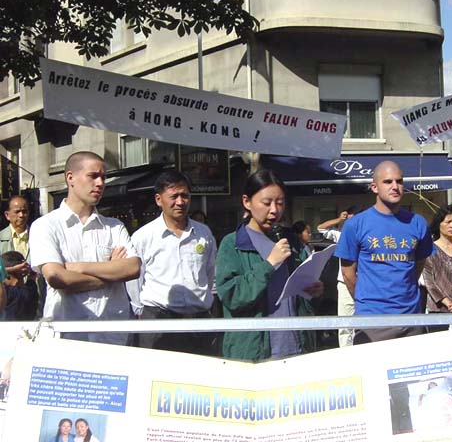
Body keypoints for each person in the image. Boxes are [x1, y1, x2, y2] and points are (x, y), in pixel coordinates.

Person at [29, 151, 141, 345]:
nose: (100, 183)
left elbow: (133, 268)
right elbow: (57, 278)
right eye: (93, 176)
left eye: (103, 177)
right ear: (70, 178)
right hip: (67, 336)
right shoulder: (46, 225)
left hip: (112, 337)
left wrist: (79, 267)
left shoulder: (114, 226)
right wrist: (111, 275)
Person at [216, 169, 323, 361]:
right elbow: (232, 296)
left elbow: (303, 295)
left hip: (297, 349)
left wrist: (313, 290)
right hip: (253, 353)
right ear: (247, 202)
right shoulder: (232, 244)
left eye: (280, 203)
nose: (274, 210)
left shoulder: (292, 240)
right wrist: (269, 264)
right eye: (266, 203)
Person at [335, 161, 434, 344]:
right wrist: (366, 302)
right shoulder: (355, 225)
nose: (395, 186)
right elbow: (347, 272)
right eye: (388, 182)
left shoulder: (418, 223)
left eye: (399, 181)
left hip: (410, 318)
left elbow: (419, 264)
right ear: (374, 187)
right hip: (372, 321)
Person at [126, 171, 217, 355]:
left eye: (185, 195)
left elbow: (210, 274)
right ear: (159, 200)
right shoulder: (143, 237)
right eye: (174, 196)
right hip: (158, 320)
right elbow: (135, 281)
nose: (180, 202)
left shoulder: (204, 233)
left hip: (199, 322)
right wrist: (140, 312)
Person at [317, 208, 358, 347]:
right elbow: (321, 228)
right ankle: (346, 352)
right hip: (344, 283)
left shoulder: (367, 235)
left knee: (365, 322)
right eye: (349, 219)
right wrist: (339, 220)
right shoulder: (341, 235)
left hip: (364, 283)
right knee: (345, 323)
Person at [0, 195, 46, 316]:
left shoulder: (40, 237)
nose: (21, 215)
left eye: (25, 211)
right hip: (8, 306)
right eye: (17, 212)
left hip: (36, 302)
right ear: (7, 215)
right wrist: (11, 270)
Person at [1, 251, 39, 321]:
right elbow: (32, 276)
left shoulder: (5, 291)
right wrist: (29, 270)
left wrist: (12, 269)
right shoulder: (30, 292)